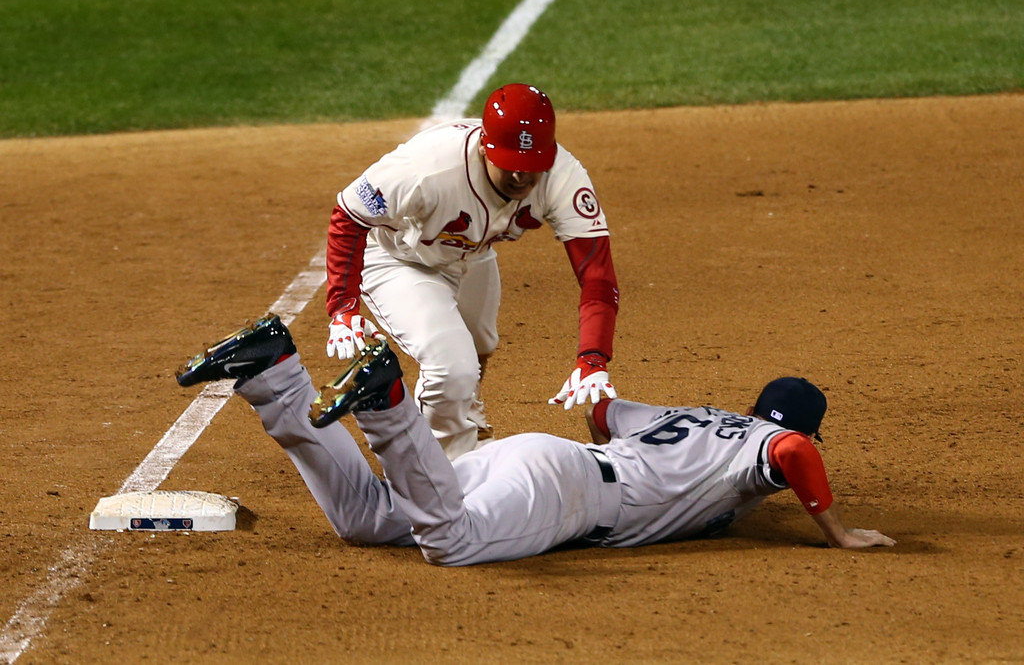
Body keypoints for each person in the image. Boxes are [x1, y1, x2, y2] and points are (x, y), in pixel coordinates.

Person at [176, 315, 895, 566]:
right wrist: (836, 531)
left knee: (367, 519)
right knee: (448, 543)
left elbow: (605, 413)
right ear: (796, 422)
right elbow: (793, 455)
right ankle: (388, 404)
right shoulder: (761, 448)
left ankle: (274, 371)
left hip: (536, 457)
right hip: (567, 494)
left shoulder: (700, 416)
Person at [325, 83, 619, 460]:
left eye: (531, 167)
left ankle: (462, 421)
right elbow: (349, 215)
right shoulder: (427, 168)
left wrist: (593, 357)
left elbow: (597, 273)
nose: (521, 178)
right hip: (398, 259)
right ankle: (442, 468)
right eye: (510, 164)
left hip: (469, 254)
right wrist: (343, 306)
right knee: (452, 368)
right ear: (484, 145)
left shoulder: (562, 177)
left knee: (479, 349)